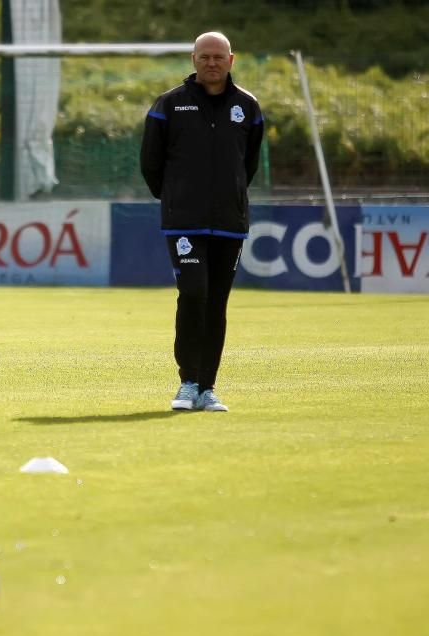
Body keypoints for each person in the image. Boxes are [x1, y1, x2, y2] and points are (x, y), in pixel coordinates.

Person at [139, 31, 264, 412]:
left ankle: (208, 388)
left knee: (217, 303)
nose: (212, 62)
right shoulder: (169, 105)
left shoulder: (248, 106)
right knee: (194, 294)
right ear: (193, 59)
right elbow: (150, 164)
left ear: (231, 60)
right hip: (184, 223)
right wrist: (178, 199)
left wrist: (230, 195)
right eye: (204, 56)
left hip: (229, 221)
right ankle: (187, 383)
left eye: (218, 56)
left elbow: (249, 164)